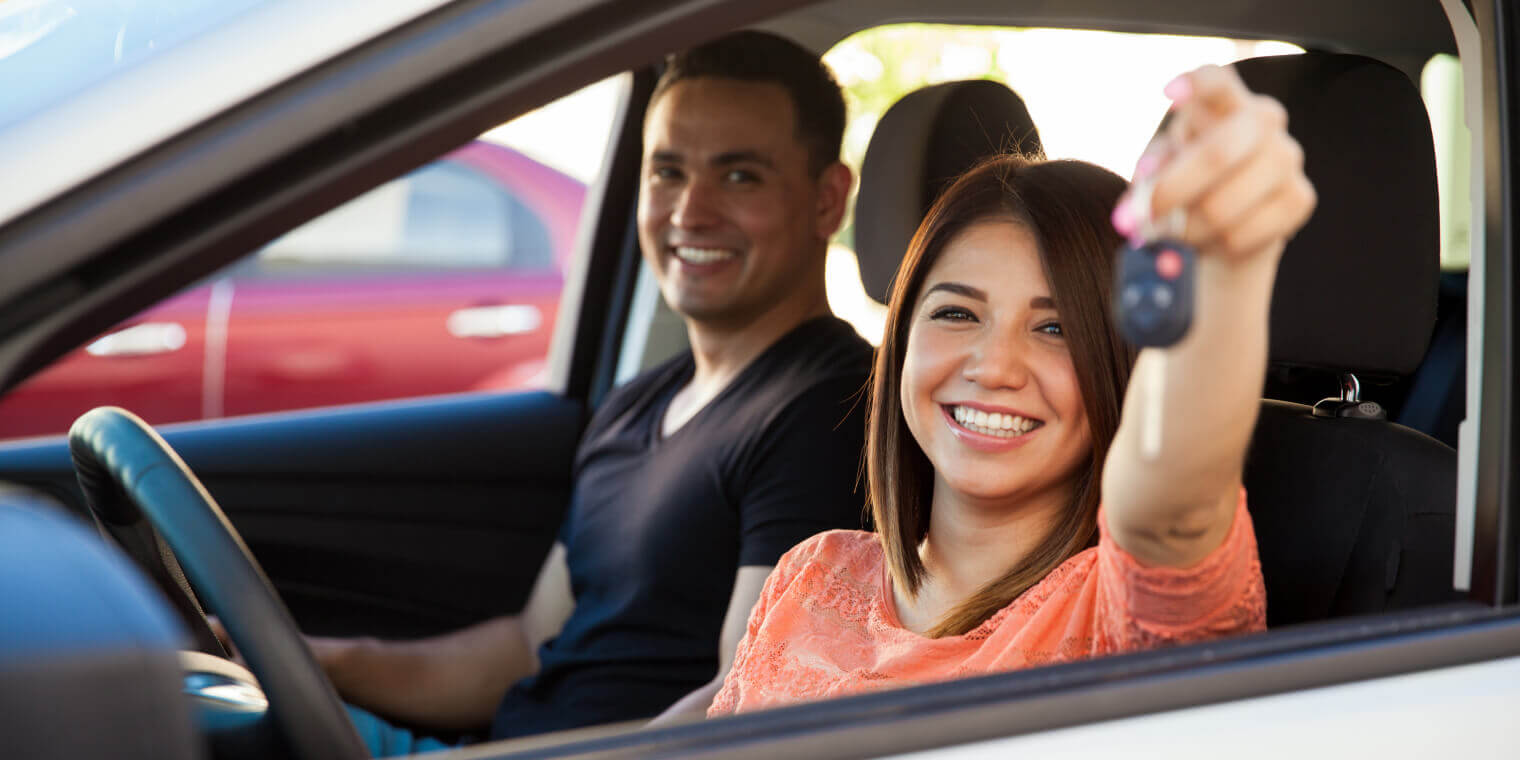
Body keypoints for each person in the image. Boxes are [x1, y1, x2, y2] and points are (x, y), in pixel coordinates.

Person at [301, 31, 871, 753]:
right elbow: (529, 645)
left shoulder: (830, 412)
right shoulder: (640, 402)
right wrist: (318, 660)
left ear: (828, 200)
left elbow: (745, 699)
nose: (689, 212)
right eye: (667, 172)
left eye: (739, 177)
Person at [707, 64, 1315, 715]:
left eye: (1055, 328)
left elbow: (1170, 507)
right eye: (956, 313)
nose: (995, 366)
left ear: (1122, 364)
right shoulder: (812, 574)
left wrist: (1225, 271)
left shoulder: (1123, 611)